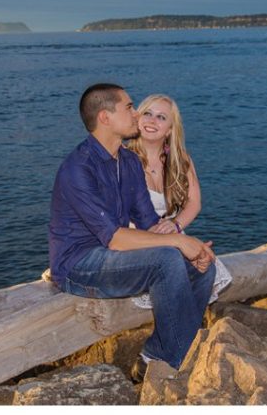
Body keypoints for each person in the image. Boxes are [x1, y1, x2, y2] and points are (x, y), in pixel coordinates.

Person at [48, 83, 216, 380]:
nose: (136, 113)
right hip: (79, 265)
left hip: (112, 257)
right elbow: (114, 237)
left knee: (203, 267)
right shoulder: (78, 168)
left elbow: (149, 221)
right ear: (105, 118)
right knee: (167, 260)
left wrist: (192, 247)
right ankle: (180, 363)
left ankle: (156, 355)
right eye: (129, 107)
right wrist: (180, 241)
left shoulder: (127, 161)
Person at [126, 94, 231, 308]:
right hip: (136, 239)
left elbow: (194, 202)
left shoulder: (180, 159)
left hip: (172, 234)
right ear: (137, 118)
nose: (152, 120)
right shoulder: (122, 158)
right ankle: (180, 335)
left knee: (206, 266)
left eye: (161, 117)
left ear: (171, 129)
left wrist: (175, 224)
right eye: (147, 113)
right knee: (175, 270)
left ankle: (186, 332)